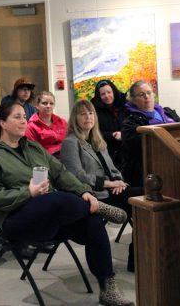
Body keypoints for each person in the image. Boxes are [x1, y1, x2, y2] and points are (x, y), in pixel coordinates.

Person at [0, 101, 134, 306]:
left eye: (24, 116)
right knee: (58, 200)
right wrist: (28, 192)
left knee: (93, 223)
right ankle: (98, 207)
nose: (24, 120)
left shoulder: (33, 148)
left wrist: (84, 191)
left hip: (49, 216)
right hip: (15, 220)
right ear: (2, 123)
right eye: (17, 117)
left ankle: (107, 288)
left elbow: (61, 173)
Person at [61, 99, 143, 272]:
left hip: (112, 190)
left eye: (90, 113)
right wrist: (109, 183)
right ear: (75, 118)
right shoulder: (71, 142)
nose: (88, 117)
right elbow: (77, 175)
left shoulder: (96, 140)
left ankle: (137, 257)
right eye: (82, 114)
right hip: (94, 195)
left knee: (143, 203)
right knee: (142, 200)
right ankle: (135, 258)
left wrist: (119, 181)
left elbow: (113, 168)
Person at [121, 80, 180, 187]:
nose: (146, 97)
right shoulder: (130, 123)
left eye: (149, 93)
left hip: (176, 163)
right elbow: (137, 146)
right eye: (141, 94)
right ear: (134, 100)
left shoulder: (168, 112)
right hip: (150, 172)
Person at [91, 79, 127, 168]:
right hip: (108, 152)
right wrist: (112, 135)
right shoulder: (94, 110)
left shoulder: (125, 105)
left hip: (127, 148)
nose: (107, 96)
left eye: (109, 92)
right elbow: (95, 132)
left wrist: (123, 134)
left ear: (113, 92)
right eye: (103, 94)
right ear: (99, 96)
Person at [25, 91, 67, 157]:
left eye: (51, 103)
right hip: (46, 159)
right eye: (44, 103)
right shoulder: (30, 127)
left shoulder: (62, 122)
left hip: (67, 154)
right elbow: (33, 151)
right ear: (37, 105)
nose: (48, 106)